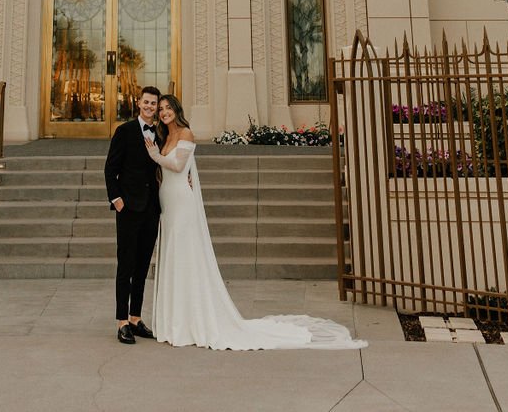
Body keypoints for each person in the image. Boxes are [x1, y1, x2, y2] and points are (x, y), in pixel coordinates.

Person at [145, 94, 366, 351]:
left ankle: (191, 319)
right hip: (167, 204)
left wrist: (154, 155)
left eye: (167, 108)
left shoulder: (186, 133)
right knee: (173, 255)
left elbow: (177, 164)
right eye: (161, 109)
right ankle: (174, 318)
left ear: (177, 109)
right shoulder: (164, 136)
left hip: (182, 203)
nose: (163, 112)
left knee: (186, 256)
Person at [104, 84, 163, 344]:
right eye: (146, 102)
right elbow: (110, 169)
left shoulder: (160, 133)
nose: (150, 107)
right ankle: (121, 322)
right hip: (128, 209)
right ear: (138, 103)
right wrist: (117, 201)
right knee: (125, 267)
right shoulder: (124, 131)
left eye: (154, 104)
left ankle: (136, 318)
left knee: (142, 267)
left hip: (151, 209)